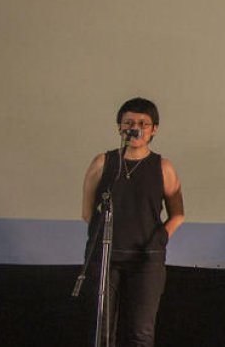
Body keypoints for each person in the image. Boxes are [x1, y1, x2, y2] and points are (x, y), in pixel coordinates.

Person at [81, 97, 185, 347]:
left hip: (146, 260)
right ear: (120, 127)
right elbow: (88, 212)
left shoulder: (163, 167)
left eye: (142, 123)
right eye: (128, 122)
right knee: (102, 330)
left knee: (141, 332)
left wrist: (160, 238)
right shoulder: (103, 163)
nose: (135, 127)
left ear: (153, 129)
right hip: (105, 258)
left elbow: (178, 213)